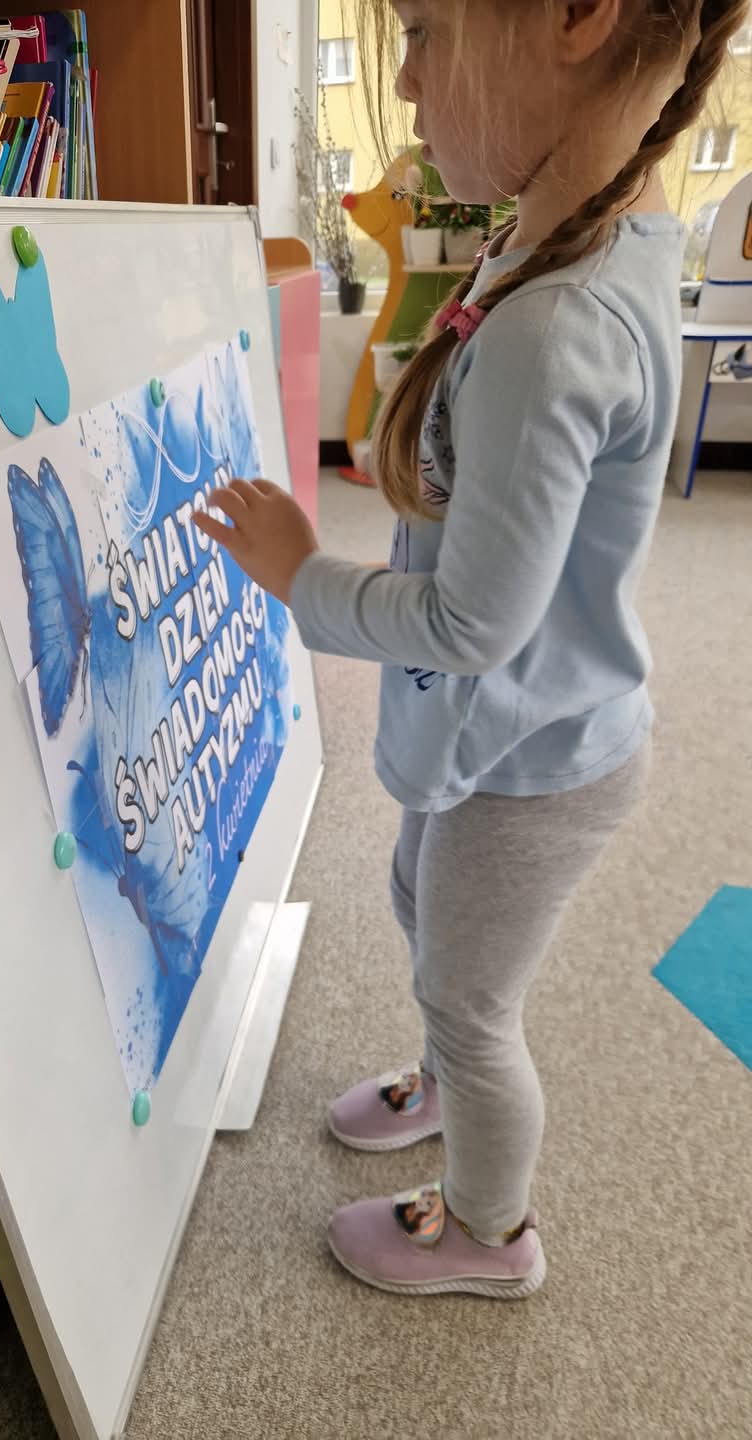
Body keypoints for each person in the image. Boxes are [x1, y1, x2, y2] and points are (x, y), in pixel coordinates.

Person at [193, 0, 749, 1299]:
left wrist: (301, 578)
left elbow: (471, 624)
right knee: (416, 898)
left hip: (539, 759)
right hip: (494, 730)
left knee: (473, 1002)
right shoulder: (570, 236)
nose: (404, 80)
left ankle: (492, 1238)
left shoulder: (559, 326)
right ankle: (442, 1079)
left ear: (574, 21)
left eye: (426, 30)